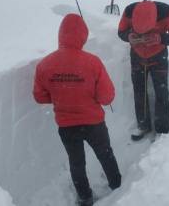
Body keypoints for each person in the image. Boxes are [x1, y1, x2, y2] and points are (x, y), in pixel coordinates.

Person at [33, 13, 121, 206]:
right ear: (83, 35)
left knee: (76, 163)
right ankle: (118, 186)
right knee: (105, 154)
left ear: (60, 35)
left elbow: (39, 96)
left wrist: (59, 97)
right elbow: (106, 97)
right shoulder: (93, 62)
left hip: (66, 126)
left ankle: (84, 197)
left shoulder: (45, 65)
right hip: (94, 123)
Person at [118, 0, 169, 140]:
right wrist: (129, 36)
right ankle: (143, 126)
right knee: (139, 91)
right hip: (137, 56)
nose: (144, 35)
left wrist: (160, 38)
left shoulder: (166, 12)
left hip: (158, 56)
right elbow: (121, 32)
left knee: (161, 93)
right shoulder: (129, 11)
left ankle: (162, 132)